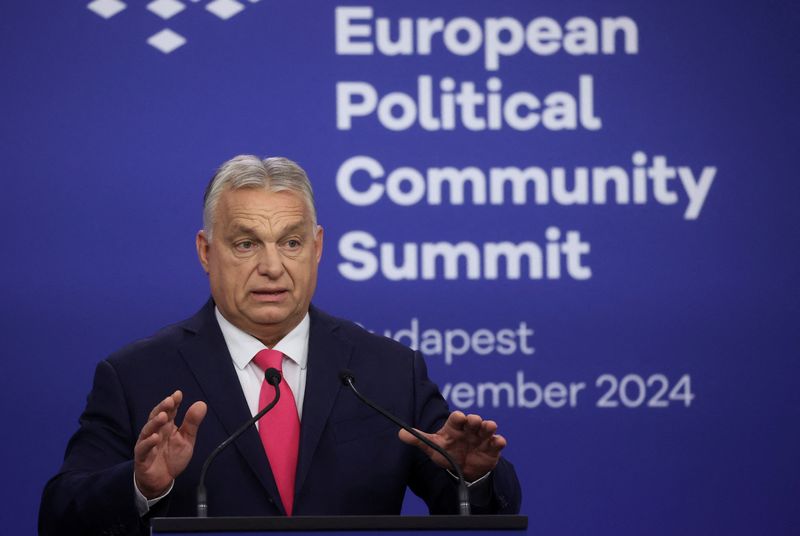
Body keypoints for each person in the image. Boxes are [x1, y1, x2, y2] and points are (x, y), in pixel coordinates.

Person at [39, 155, 521, 535]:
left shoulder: (387, 372)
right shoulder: (137, 375)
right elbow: (60, 516)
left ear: (317, 248)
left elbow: (475, 513)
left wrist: (472, 476)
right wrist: (141, 486)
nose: (272, 266)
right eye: (246, 244)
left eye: (290, 243)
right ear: (207, 252)